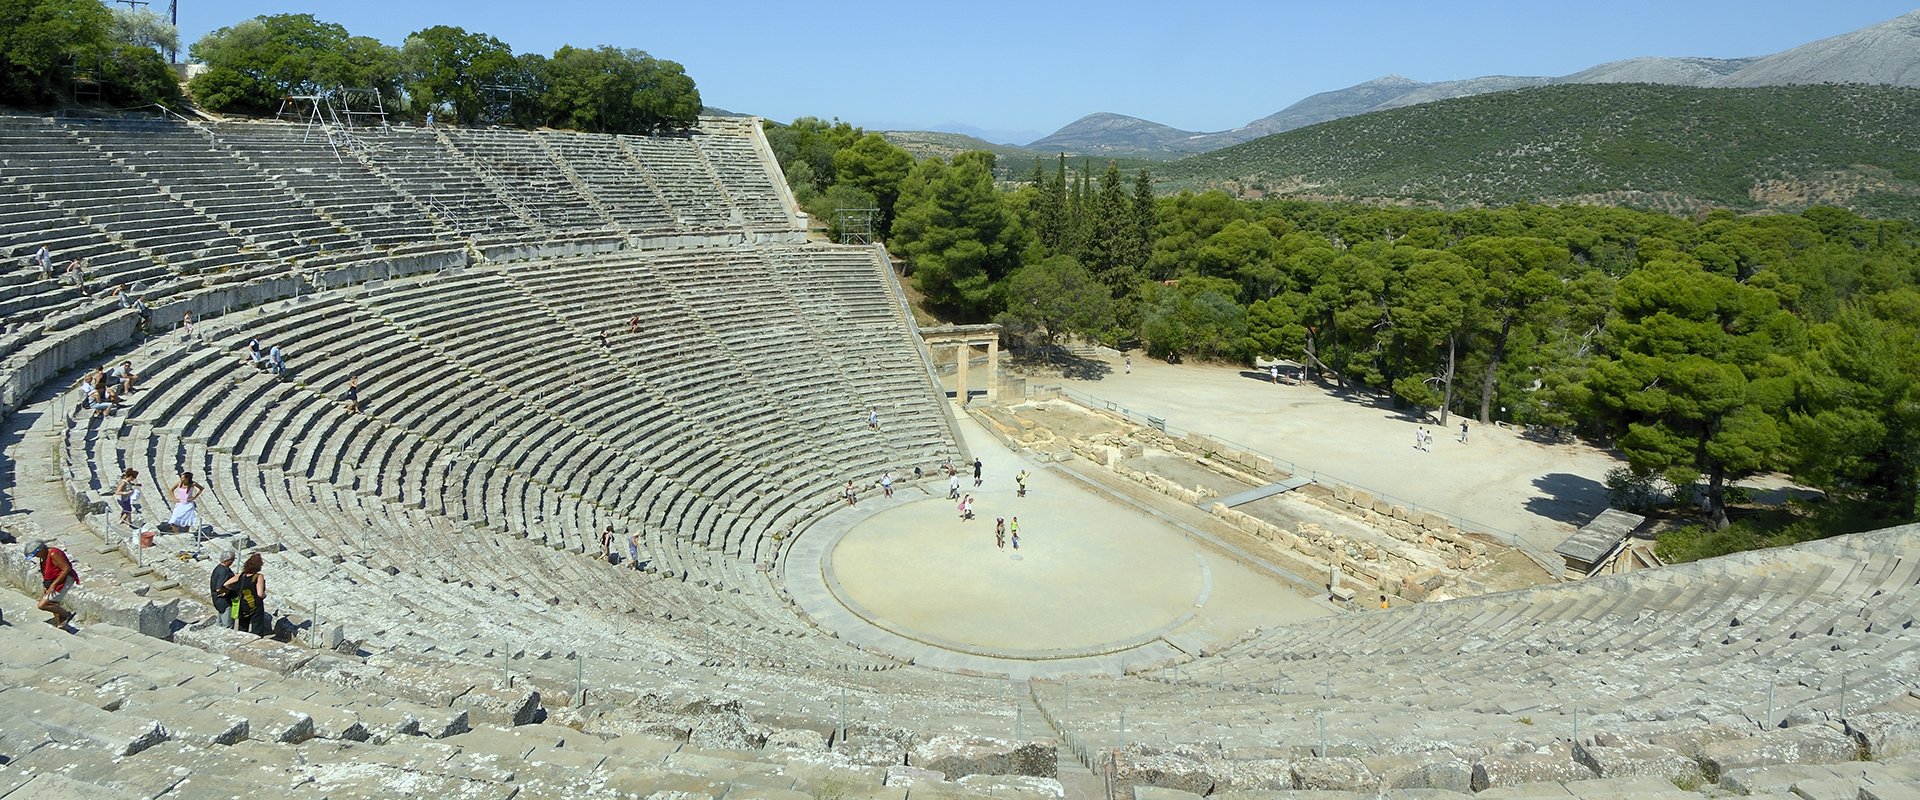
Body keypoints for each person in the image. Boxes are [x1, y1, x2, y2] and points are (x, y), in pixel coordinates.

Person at [25, 540, 76, 629]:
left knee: (42, 605)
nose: (36, 556)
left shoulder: (54, 554)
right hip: (52, 581)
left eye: (36, 554)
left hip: (63, 580)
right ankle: (60, 622)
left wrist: (53, 585)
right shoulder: (43, 557)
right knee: (53, 602)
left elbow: (66, 569)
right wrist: (46, 585)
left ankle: (66, 614)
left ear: (41, 550)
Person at [229, 553, 269, 636]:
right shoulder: (258, 576)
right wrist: (265, 595)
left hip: (243, 604)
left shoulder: (241, 575)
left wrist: (236, 589)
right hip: (255, 606)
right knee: (257, 628)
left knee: (242, 627)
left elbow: (226, 584)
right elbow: (260, 594)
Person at [210, 550, 238, 628]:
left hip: (218, 600)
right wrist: (227, 591)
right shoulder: (223, 571)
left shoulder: (219, 568)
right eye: (232, 560)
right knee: (227, 625)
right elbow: (219, 588)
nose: (232, 562)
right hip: (225, 601)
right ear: (227, 560)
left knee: (220, 624)